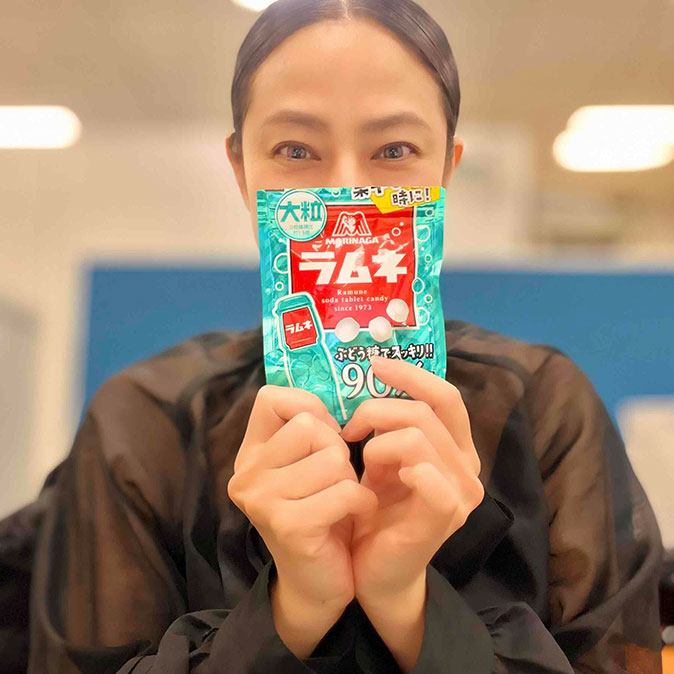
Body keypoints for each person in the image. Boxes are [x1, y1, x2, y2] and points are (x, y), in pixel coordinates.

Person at [25, 0, 664, 672]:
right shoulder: (143, 423)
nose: (348, 194)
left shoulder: (542, 406)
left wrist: (407, 604)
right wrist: (293, 610)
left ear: (445, 172)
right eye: (295, 150)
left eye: (394, 150)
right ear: (242, 172)